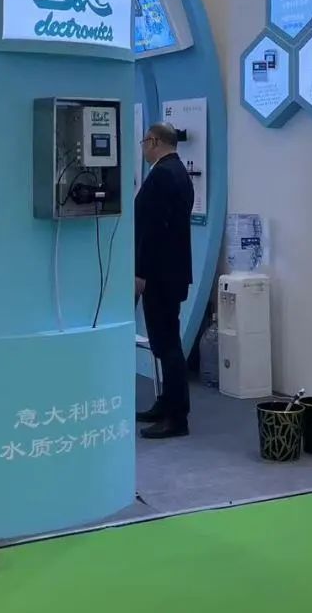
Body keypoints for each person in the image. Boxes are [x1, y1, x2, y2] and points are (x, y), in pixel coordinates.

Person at [135, 122, 195, 440]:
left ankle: (176, 417)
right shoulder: (179, 172)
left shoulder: (161, 175)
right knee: (166, 341)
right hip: (173, 272)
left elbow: (153, 231)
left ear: (154, 141)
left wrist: (140, 273)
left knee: (166, 344)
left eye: (144, 141)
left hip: (159, 274)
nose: (143, 147)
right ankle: (167, 404)